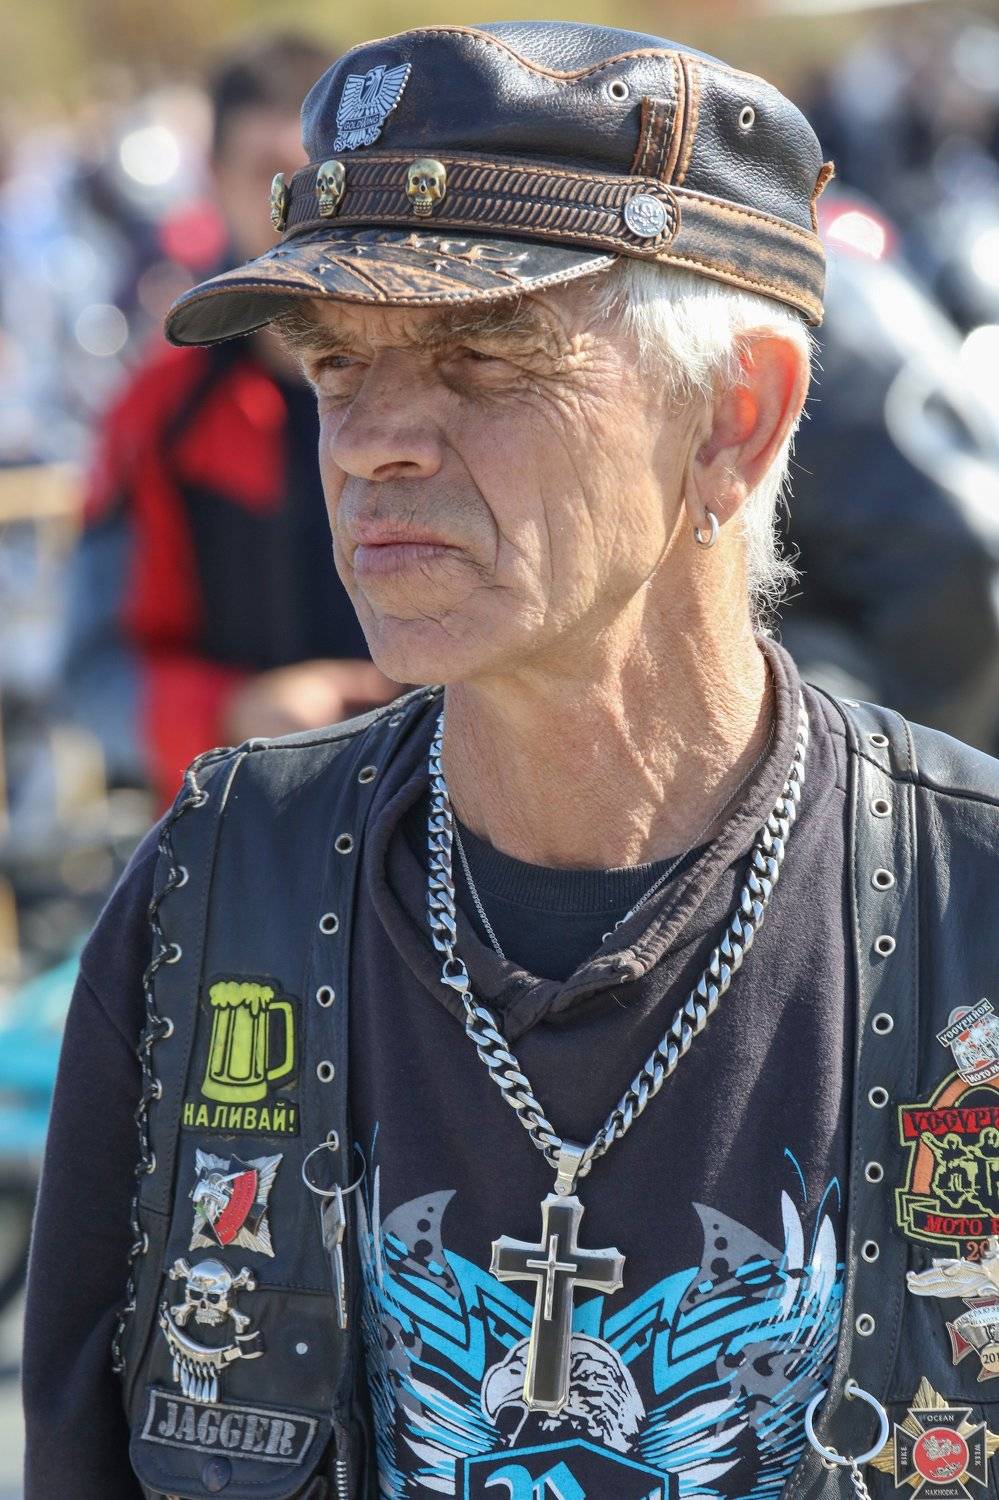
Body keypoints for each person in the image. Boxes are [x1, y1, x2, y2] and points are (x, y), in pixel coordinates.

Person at [23, 20, 999, 1500]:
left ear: (733, 422)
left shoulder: (967, 909)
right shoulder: (217, 888)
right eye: (336, 363)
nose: (370, 444)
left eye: (483, 357)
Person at [59, 32, 397, 802]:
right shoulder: (158, 410)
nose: (297, 207)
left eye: (321, 179)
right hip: (240, 819)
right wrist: (235, 713)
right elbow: (90, 676)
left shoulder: (453, 383)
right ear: (213, 180)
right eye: (267, 176)